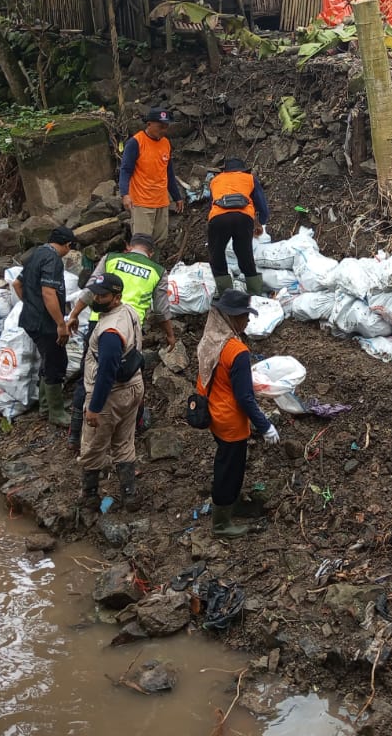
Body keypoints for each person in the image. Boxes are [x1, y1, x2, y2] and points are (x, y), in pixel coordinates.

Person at [65, 233, 175, 449]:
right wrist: (170, 334)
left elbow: (90, 290)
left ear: (128, 247)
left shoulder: (111, 259)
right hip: (129, 329)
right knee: (131, 375)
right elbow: (162, 310)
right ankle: (137, 421)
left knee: (88, 377)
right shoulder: (157, 271)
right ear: (150, 253)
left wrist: (74, 315)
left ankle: (74, 434)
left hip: (99, 324)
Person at [195, 290, 281, 538]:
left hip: (213, 413)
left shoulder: (211, 339)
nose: (248, 321)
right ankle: (221, 523)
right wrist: (265, 425)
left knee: (226, 464)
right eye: (245, 316)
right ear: (233, 317)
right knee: (229, 471)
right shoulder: (237, 351)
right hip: (231, 423)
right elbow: (244, 397)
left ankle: (231, 505)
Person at [78, 273, 146, 513]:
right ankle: (130, 496)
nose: (97, 298)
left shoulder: (109, 331)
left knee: (93, 445)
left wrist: (95, 407)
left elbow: (107, 371)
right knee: (124, 441)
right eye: (95, 294)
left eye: (103, 295)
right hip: (133, 387)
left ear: (116, 297)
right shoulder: (128, 312)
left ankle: (89, 496)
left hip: (110, 395)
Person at [13, 226, 77, 426]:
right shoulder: (53, 260)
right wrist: (60, 323)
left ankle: (46, 406)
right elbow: (49, 293)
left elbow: (17, 283)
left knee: (49, 358)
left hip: (30, 318)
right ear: (68, 245)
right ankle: (55, 413)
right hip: (45, 322)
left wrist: (31, 304)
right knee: (56, 362)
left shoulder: (37, 253)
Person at [118, 107, 184, 244]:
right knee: (141, 242)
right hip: (142, 202)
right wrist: (125, 194)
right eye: (160, 127)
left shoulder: (166, 143)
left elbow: (169, 173)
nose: (164, 131)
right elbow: (125, 170)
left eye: (166, 127)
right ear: (149, 124)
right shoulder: (136, 143)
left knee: (160, 240)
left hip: (161, 201)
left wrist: (177, 196)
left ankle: (155, 264)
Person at [207, 157, 270, 295]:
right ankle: (255, 293)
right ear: (242, 169)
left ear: (224, 170)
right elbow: (261, 204)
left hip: (219, 218)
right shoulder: (249, 178)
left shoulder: (215, 180)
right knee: (244, 254)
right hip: (243, 218)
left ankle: (226, 295)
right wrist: (262, 222)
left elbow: (211, 204)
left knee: (217, 255)